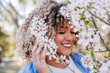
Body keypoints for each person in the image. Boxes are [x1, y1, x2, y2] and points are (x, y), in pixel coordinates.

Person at [16, 0, 91, 73]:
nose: (70, 38)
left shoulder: (82, 60)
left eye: (73, 31)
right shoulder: (27, 71)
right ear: (44, 34)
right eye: (62, 32)